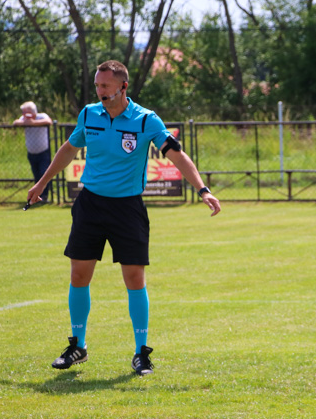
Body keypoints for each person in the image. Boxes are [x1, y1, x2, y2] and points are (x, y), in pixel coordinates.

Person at [27, 60, 221, 376]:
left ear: (122, 87)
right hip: (90, 204)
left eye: (105, 86)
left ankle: (141, 353)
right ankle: (78, 345)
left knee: (134, 278)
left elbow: (177, 155)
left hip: (127, 208)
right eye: (97, 85)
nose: (99, 91)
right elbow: (67, 149)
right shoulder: (89, 114)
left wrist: (203, 190)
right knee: (79, 275)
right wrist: (42, 182)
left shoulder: (146, 120)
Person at [14, 102, 53, 203]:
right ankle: (37, 197)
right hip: (31, 153)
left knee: (43, 173)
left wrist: (32, 123)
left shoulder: (42, 116)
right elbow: (15, 122)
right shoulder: (24, 119)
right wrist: (26, 122)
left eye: (26, 112)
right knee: (36, 175)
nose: (24, 114)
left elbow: (49, 121)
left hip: (43, 152)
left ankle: (44, 196)